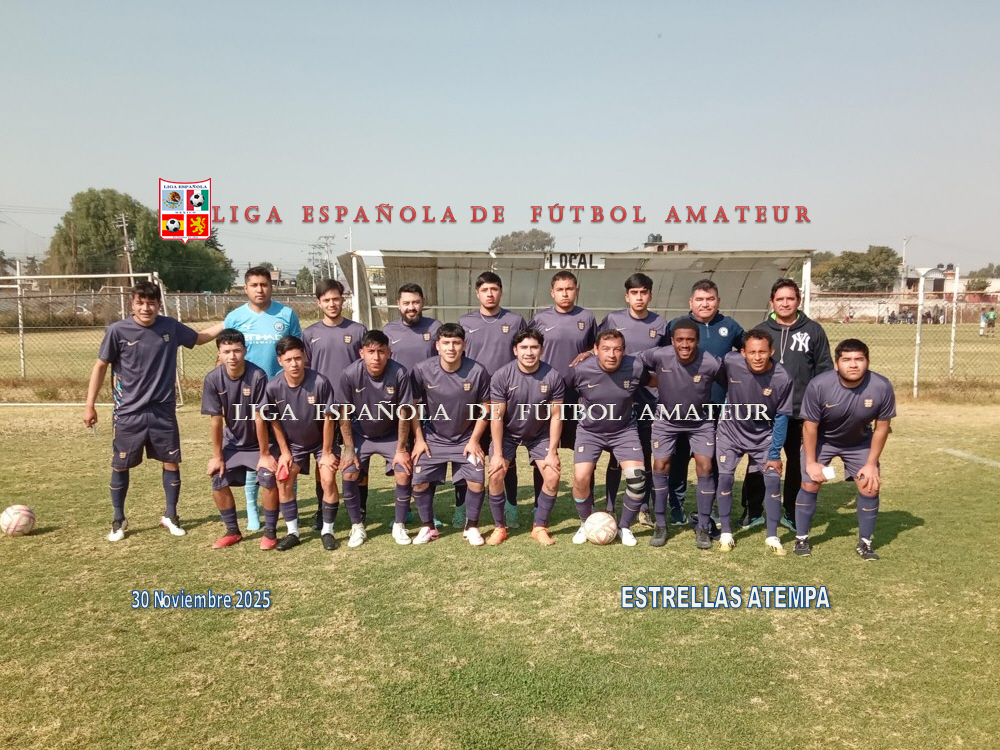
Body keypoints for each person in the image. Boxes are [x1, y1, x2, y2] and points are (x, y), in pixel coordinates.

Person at [82, 280, 221, 542]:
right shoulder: (117, 330)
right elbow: (100, 366)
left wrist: (227, 323)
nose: (146, 308)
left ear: (159, 305)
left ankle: (171, 515)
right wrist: (90, 405)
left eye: (151, 303)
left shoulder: (170, 327)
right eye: (140, 303)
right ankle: (119, 519)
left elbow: (199, 338)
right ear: (132, 304)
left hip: (163, 411)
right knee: (120, 465)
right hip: (128, 412)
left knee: (171, 461)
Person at [792, 339, 896, 560]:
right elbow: (810, 427)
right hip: (823, 441)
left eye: (859, 359)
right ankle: (801, 538)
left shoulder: (881, 386)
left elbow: (882, 428)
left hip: (859, 443)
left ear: (867, 361)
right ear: (836, 364)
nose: (853, 364)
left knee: (870, 487)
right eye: (846, 359)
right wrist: (811, 462)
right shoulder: (819, 385)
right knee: (810, 483)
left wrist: (871, 464)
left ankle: (865, 543)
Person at [742, 278, 832, 532]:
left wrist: (820, 408)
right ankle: (753, 510)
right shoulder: (760, 331)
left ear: (798, 301)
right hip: (765, 412)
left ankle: (791, 512)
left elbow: (824, 371)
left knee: (796, 463)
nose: (784, 303)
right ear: (771, 302)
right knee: (758, 460)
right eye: (779, 299)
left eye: (790, 298)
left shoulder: (813, 331)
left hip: (800, 412)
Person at [223, 266, 301, 531]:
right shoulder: (235, 317)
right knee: (254, 450)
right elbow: (226, 353)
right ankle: (252, 509)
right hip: (247, 394)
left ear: (271, 286)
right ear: (245, 288)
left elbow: (296, 351)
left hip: (281, 394)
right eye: (254, 285)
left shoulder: (286, 314)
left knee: (287, 451)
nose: (260, 289)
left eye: (264, 284)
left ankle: (289, 505)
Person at [637, 320, 724, 549]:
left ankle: (703, 527)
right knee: (660, 465)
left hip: (700, 421)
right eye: (680, 340)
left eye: (690, 340)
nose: (685, 345)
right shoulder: (659, 355)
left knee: (705, 466)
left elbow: (731, 381)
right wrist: (650, 379)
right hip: (666, 419)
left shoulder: (711, 362)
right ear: (672, 340)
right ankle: (661, 525)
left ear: (697, 341)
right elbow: (633, 362)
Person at [667, 279, 744, 528]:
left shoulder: (730, 326)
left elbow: (750, 351)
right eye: (699, 299)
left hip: (717, 408)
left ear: (718, 301)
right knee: (678, 459)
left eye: (710, 299)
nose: (705, 304)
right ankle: (676, 507)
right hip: (682, 408)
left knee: (713, 460)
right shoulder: (676, 325)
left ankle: (711, 508)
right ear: (691, 302)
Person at [564, 329, 649, 546]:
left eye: (617, 349)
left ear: (624, 351)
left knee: (638, 479)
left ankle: (624, 527)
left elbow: (656, 380)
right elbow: (560, 391)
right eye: (606, 349)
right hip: (589, 431)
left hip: (624, 431)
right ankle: (585, 523)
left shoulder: (635, 367)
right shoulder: (580, 369)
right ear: (595, 350)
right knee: (581, 478)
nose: (611, 354)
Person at [409, 324, 491, 545]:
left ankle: (471, 527)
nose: (451, 348)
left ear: (464, 345)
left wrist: (474, 440)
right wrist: (419, 439)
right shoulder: (421, 369)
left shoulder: (477, 371)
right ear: (437, 345)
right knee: (418, 482)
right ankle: (428, 527)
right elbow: (411, 406)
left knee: (476, 482)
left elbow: (487, 408)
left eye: (456, 343)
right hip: (432, 438)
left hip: (466, 439)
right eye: (446, 343)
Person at [713, 329, 794, 554]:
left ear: (771, 352)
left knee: (772, 480)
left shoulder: (783, 377)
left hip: (762, 437)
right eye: (752, 352)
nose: (757, 357)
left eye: (762, 352)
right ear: (743, 352)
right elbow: (722, 380)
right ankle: (726, 533)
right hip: (730, 433)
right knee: (725, 478)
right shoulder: (731, 362)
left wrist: (775, 453)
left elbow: (781, 417)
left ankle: (772, 537)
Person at [598, 273, 669, 525]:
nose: (639, 298)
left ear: (650, 295)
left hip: (650, 399)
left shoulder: (661, 324)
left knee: (645, 454)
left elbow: (666, 359)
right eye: (634, 293)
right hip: (619, 397)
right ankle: (609, 507)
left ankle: (644, 507)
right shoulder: (613, 319)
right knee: (616, 455)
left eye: (644, 292)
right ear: (627, 296)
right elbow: (598, 350)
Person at [458, 271, 526, 528]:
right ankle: (462, 507)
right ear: (477, 293)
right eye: (485, 290)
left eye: (494, 289)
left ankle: (511, 506)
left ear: (501, 292)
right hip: (473, 397)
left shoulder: (515, 320)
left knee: (506, 454)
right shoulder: (465, 322)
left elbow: (523, 354)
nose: (490, 294)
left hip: (506, 398)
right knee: (469, 452)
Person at [487, 328, 565, 546]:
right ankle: (499, 527)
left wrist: (552, 452)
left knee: (552, 475)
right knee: (495, 473)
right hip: (508, 433)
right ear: (515, 350)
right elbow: (496, 417)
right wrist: (498, 454)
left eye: (534, 347)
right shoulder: (502, 375)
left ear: (541, 350)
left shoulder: (553, 376)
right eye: (524, 347)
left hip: (539, 434)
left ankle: (539, 526)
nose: (529, 352)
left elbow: (556, 416)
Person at [201, 329, 277, 549]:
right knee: (217, 477)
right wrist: (217, 457)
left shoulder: (257, 375)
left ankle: (270, 533)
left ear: (245, 350)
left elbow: (260, 417)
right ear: (219, 353)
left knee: (268, 477)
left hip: (259, 443)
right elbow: (216, 421)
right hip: (233, 443)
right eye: (226, 351)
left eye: (236, 350)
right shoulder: (213, 379)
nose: (232, 356)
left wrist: (265, 454)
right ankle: (232, 531)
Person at [338, 330, 415, 547]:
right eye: (371, 351)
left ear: (389, 352)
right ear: (361, 352)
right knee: (349, 471)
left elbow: (405, 412)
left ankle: (399, 525)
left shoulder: (399, 373)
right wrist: (349, 448)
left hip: (390, 434)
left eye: (381, 351)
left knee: (403, 471)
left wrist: (401, 449)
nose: (376, 357)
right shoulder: (349, 374)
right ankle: (357, 526)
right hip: (360, 434)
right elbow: (343, 413)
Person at [264, 335, 340, 552]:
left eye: (298, 358)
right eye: (288, 359)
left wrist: (327, 451)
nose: (294, 364)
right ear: (280, 360)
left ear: (305, 356)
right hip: (293, 445)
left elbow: (329, 419)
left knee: (327, 479)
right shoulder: (273, 387)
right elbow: (274, 421)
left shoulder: (320, 382)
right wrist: (284, 452)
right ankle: (293, 532)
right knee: (284, 480)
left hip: (321, 443)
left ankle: (327, 531)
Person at [528, 271, 597, 503]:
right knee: (544, 451)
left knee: (585, 452)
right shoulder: (540, 319)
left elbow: (597, 347)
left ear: (577, 290)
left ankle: (587, 503)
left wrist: (589, 352)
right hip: (546, 396)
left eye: (569, 289)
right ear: (552, 293)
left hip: (579, 396)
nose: (565, 293)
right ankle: (539, 504)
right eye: (560, 289)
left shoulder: (587, 317)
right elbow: (528, 348)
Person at [303, 279, 368, 524]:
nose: (332, 304)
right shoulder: (310, 333)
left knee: (357, 457)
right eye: (326, 300)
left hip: (353, 406)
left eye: (336, 299)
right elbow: (306, 371)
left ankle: (360, 509)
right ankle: (323, 510)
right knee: (324, 458)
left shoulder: (358, 331)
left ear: (343, 300)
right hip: (323, 407)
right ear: (319, 303)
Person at [383, 283, 442, 372]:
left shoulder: (435, 327)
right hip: (400, 381)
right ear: (399, 304)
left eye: (416, 302)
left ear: (423, 302)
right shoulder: (388, 330)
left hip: (427, 381)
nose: (411, 308)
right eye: (406, 303)